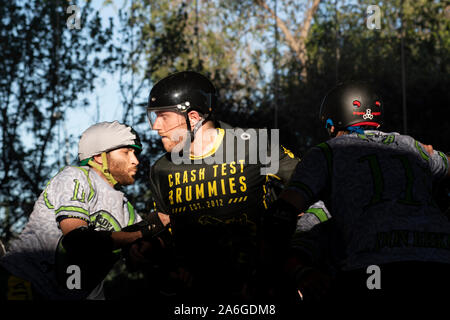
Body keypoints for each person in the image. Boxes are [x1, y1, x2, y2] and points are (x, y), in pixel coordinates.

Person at [274, 82, 450, 304]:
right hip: (440, 260)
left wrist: (295, 271)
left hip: (373, 269)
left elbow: (285, 217)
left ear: (331, 125)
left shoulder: (328, 154)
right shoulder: (413, 147)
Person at [145, 71, 302, 302]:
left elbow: (311, 187)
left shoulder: (254, 146)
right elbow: (165, 227)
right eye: (154, 116)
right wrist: (148, 247)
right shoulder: (161, 170)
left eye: (163, 116)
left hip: (264, 291)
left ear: (195, 117)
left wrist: (303, 263)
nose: (155, 126)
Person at [0, 120, 168, 300]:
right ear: (98, 157)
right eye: (126, 152)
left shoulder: (127, 211)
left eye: (135, 153)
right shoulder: (75, 177)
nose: (135, 161)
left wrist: (151, 247)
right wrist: (143, 231)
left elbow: (136, 261)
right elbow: (78, 240)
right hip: (22, 281)